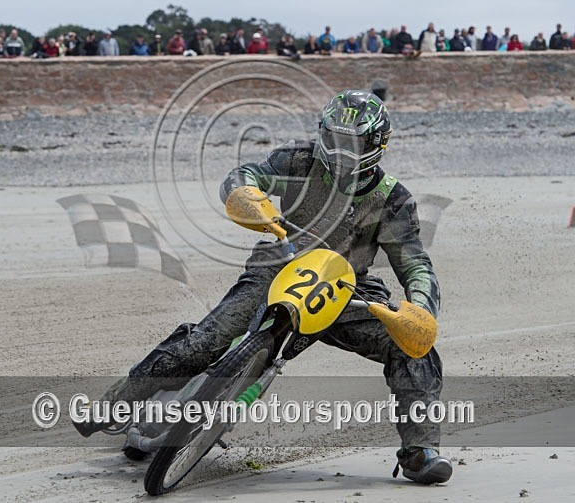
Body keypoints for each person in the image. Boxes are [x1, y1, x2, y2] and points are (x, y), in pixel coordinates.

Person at [73, 89, 452, 486]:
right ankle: (118, 401)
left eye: (351, 143)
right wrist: (245, 193)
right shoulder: (296, 161)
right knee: (204, 341)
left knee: (415, 351)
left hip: (347, 289)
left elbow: (414, 263)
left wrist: (421, 309)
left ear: (376, 145)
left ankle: (421, 451)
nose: (339, 152)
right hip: (278, 265)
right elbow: (248, 174)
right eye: (334, 139)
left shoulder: (393, 199)